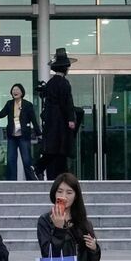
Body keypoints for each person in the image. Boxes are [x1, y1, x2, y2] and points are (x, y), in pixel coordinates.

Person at [38, 173, 101, 261]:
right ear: (54, 194)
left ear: (76, 196)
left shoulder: (83, 222)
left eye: (69, 192)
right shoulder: (45, 221)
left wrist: (94, 249)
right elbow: (48, 255)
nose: (64, 196)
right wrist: (58, 229)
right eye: (60, 191)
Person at [38, 49, 78, 179]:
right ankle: (41, 167)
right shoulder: (64, 83)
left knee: (56, 149)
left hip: (51, 120)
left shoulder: (50, 83)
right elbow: (67, 102)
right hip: (61, 121)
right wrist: (71, 119)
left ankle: (61, 174)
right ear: (65, 68)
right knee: (60, 148)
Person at [0, 83, 38, 181]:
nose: (15, 92)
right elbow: (1, 114)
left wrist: (39, 133)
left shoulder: (28, 104)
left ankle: (31, 181)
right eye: (13, 90)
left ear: (22, 92)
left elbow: (33, 119)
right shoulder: (9, 103)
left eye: (17, 90)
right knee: (11, 159)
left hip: (24, 135)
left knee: (26, 160)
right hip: (12, 135)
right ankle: (11, 182)